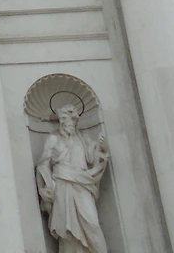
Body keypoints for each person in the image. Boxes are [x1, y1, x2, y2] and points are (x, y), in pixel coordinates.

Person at [35, 104, 109, 253]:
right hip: (62, 185)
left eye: (66, 119)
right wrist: (48, 186)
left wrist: (103, 148)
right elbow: (43, 164)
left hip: (82, 184)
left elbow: (94, 160)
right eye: (61, 119)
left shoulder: (84, 139)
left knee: (92, 224)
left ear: (74, 120)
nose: (64, 122)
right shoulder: (53, 139)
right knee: (67, 231)